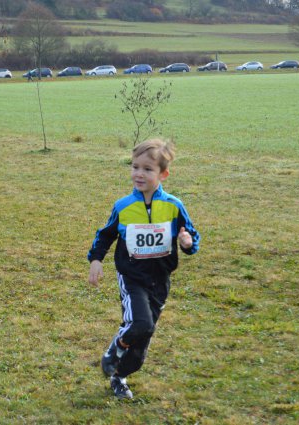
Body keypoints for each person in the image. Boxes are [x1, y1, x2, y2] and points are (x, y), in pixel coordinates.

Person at [87, 138, 200, 400]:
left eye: (147, 169)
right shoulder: (123, 206)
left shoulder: (174, 206)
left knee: (145, 336)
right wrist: (96, 259)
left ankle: (119, 376)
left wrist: (187, 243)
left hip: (159, 279)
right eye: (135, 167)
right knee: (140, 323)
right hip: (132, 276)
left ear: (163, 174)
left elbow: (191, 234)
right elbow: (105, 234)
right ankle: (115, 348)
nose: (139, 173)